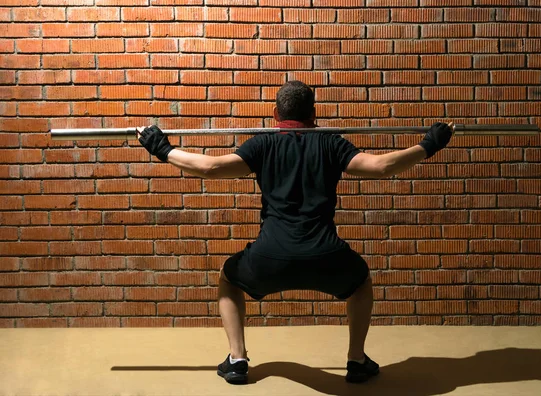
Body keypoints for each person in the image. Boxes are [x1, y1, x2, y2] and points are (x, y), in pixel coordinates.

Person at [138, 80, 454, 385]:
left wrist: (161, 148)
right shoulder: (331, 142)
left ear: (276, 115)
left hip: (268, 258)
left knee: (228, 277)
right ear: (314, 114)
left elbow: (210, 167)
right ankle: (357, 361)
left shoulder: (263, 143)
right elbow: (382, 166)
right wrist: (429, 144)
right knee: (360, 281)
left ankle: (237, 360)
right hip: (326, 256)